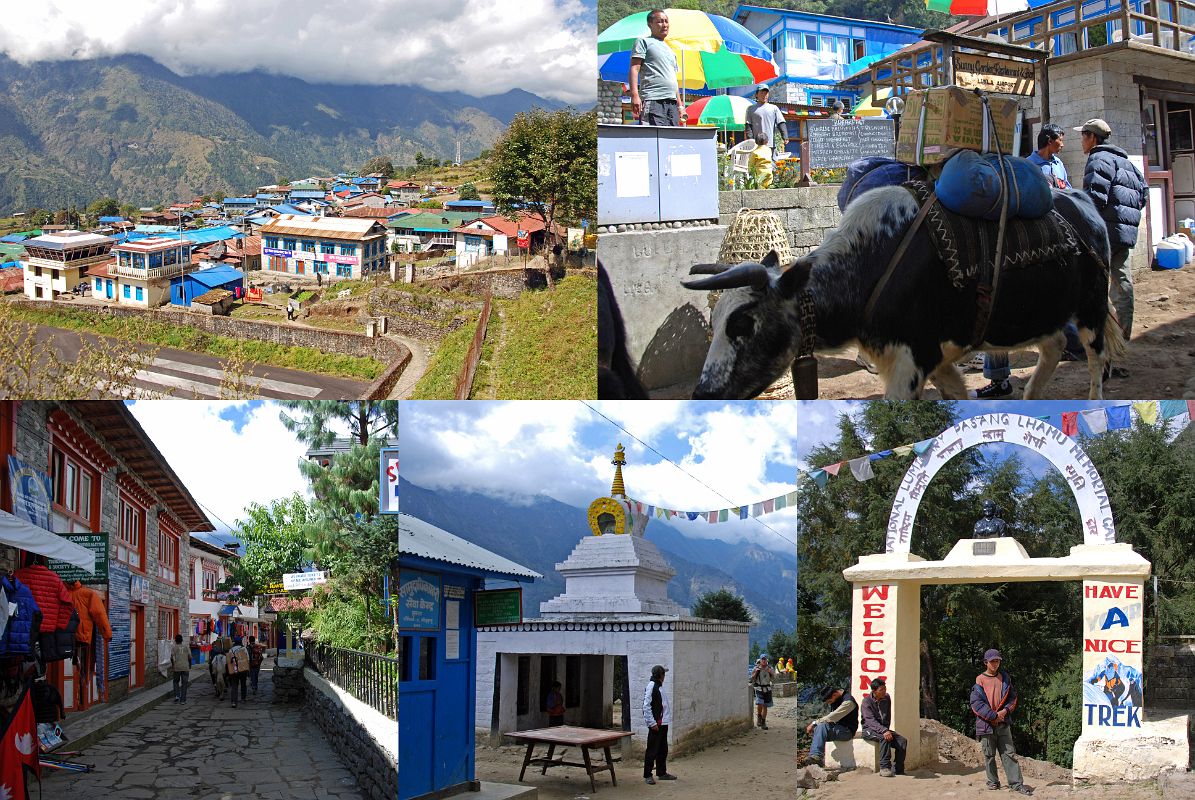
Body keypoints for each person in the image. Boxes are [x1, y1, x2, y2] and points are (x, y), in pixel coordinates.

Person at [1076, 118, 1147, 381]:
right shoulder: (1127, 163)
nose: (1081, 141)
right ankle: (1119, 345)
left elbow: (1094, 199)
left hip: (1103, 237)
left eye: (1083, 136)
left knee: (1094, 291)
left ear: (1092, 138)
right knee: (1123, 286)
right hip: (1125, 236)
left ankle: (1101, 347)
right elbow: (1143, 195)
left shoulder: (1098, 159)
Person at [970, 649, 1032, 795]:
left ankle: (1016, 784)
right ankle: (993, 782)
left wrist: (1004, 711)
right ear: (986, 662)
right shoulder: (980, 680)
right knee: (989, 755)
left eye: (997, 661)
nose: (995, 664)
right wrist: (993, 716)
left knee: (1009, 754)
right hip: (986, 725)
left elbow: (1012, 698)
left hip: (1003, 723)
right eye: (992, 661)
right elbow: (976, 704)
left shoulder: (1005, 678)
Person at [629, 10, 683, 127]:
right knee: (652, 136)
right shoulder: (643, 42)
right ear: (650, 24)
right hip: (653, 100)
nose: (665, 25)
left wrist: (680, 106)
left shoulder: (670, 50)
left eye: (666, 21)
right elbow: (634, 68)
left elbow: (673, 80)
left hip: (672, 104)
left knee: (671, 137)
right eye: (660, 21)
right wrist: (634, 95)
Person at [860, 678, 906, 777]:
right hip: (869, 729)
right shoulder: (866, 702)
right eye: (881, 690)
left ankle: (898, 769)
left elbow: (887, 715)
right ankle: (884, 767)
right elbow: (870, 720)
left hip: (883, 729)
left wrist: (886, 729)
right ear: (874, 691)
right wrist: (884, 730)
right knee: (884, 738)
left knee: (902, 741)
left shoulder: (887, 698)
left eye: (885, 689)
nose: (884, 691)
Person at [803, 686, 858, 767]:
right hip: (837, 729)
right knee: (820, 727)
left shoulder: (848, 702)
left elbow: (832, 717)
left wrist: (814, 723)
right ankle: (815, 757)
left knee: (821, 726)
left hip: (847, 731)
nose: (829, 703)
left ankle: (816, 757)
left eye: (829, 701)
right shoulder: (836, 699)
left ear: (834, 694)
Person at [642, 664, 677, 784]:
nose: (664, 676)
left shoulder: (659, 686)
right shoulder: (652, 686)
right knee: (652, 750)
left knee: (663, 749)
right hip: (656, 724)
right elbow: (646, 706)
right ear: (661, 675)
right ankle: (647, 775)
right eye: (664, 674)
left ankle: (661, 772)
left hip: (663, 723)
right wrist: (652, 723)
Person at [744, 85, 789, 155]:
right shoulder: (751, 109)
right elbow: (748, 126)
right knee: (757, 161)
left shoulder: (774, 108)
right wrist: (751, 140)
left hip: (770, 145)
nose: (764, 95)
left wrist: (785, 136)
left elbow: (781, 123)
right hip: (756, 146)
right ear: (756, 95)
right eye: (762, 93)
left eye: (766, 93)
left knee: (771, 161)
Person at [749, 653, 775, 729]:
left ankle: (763, 722)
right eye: (762, 659)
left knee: (765, 706)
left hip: (767, 689)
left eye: (765, 659)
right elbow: (751, 678)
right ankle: (759, 716)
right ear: (760, 660)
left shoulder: (770, 668)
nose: (763, 660)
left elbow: (774, 678)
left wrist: (770, 672)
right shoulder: (756, 668)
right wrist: (756, 672)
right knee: (760, 703)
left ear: (767, 660)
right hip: (759, 688)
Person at [227, 637, 250, 708]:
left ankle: (234, 702)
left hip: (234, 670)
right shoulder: (244, 649)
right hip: (243, 669)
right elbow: (248, 659)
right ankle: (243, 698)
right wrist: (248, 669)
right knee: (243, 684)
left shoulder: (231, 650)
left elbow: (228, 661)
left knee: (234, 685)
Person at [170, 633, 192, 704]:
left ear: (175, 640)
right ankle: (183, 700)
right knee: (184, 683)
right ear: (182, 640)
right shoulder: (186, 647)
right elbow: (190, 657)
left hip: (177, 667)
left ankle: (177, 695)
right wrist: (189, 665)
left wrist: (173, 666)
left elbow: (172, 658)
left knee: (176, 681)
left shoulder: (174, 648)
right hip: (185, 667)